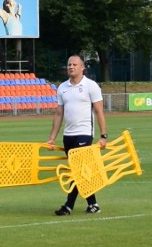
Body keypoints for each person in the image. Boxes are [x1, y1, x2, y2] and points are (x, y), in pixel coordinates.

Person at [46, 55, 108, 216]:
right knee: (78, 171)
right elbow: (59, 114)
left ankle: (68, 206)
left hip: (84, 133)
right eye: (69, 64)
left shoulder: (91, 86)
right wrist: (52, 137)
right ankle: (93, 204)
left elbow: (99, 111)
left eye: (74, 64)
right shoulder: (62, 88)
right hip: (68, 135)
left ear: (82, 67)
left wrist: (103, 135)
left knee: (78, 170)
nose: (71, 67)